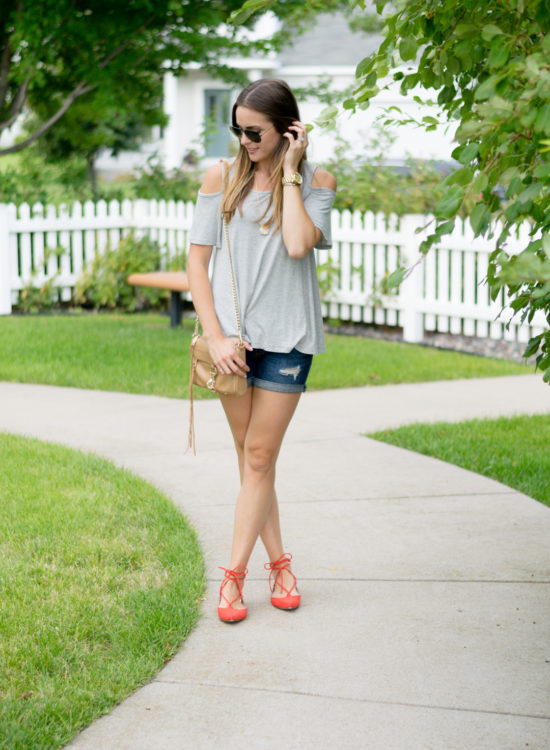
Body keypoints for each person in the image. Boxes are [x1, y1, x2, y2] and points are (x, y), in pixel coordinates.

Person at [187, 78, 336, 623]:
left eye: (255, 131)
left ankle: (230, 579)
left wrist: (291, 174)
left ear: (287, 129)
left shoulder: (316, 180)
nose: (244, 139)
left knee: (257, 457)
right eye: (237, 129)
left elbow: (298, 243)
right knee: (255, 460)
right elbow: (196, 265)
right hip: (234, 344)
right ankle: (280, 565)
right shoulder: (221, 179)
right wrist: (216, 335)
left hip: (290, 338)